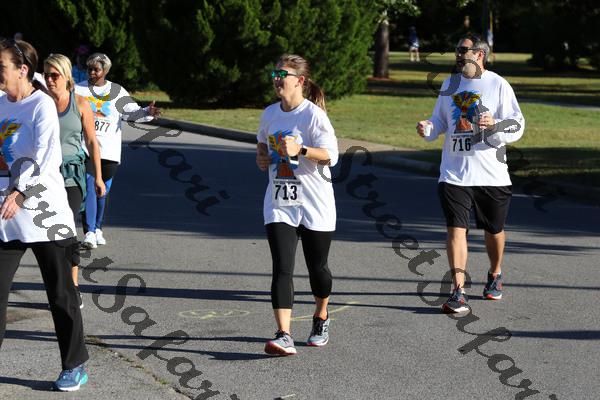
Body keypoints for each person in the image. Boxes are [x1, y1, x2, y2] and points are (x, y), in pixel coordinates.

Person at [0, 39, 89, 391]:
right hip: (7, 217)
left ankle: (74, 364)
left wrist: (21, 192)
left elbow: (47, 156)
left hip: (45, 214)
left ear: (22, 70)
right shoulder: (0, 105)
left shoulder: (41, 105)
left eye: (1, 67)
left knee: (62, 295)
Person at [415, 34, 525, 313]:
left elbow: (517, 124)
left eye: (463, 50)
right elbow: (440, 120)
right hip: (454, 173)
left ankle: (495, 272)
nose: (458, 54)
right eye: (457, 49)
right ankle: (458, 291)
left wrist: (496, 124)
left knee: (494, 230)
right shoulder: (449, 84)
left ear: (479, 54)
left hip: (491, 174)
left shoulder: (498, 84)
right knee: (455, 229)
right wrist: (428, 127)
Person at [256, 54, 339, 356]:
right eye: (274, 74)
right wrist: (261, 157)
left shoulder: (313, 116)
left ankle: (321, 315)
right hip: (280, 202)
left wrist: (300, 149)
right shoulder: (269, 114)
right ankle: (284, 334)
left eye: (283, 75)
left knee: (319, 269)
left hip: (315, 202)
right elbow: (262, 144)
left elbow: (331, 156)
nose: (277, 79)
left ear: (300, 81)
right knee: (282, 268)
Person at [74, 53, 159, 249]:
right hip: (86, 148)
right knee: (90, 188)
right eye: (89, 69)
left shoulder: (116, 91)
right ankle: (89, 232)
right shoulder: (79, 90)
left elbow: (131, 112)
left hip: (109, 150)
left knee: (103, 191)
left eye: (96, 69)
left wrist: (147, 112)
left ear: (105, 71)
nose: (92, 73)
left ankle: (98, 229)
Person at [44, 53, 106, 309]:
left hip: (71, 177)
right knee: (49, 236)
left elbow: (91, 141)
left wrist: (98, 177)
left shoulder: (80, 103)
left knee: (66, 228)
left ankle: (73, 286)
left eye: (54, 75)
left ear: (66, 76)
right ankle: (59, 286)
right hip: (46, 177)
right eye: (46, 75)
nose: (49, 80)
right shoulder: (41, 104)